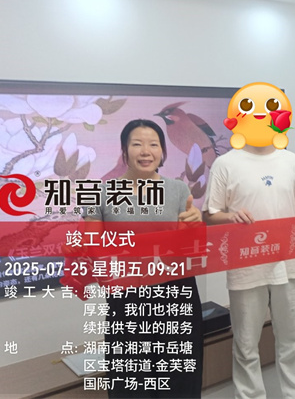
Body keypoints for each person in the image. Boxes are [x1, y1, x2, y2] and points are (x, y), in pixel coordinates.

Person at [86, 119, 204, 398]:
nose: (145, 151)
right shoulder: (101, 192)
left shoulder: (178, 190)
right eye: (137, 144)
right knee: (131, 378)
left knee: (179, 376)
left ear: (163, 151)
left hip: (176, 293)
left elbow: (191, 247)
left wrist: (196, 224)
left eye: (154, 144)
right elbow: (91, 245)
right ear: (124, 150)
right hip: (127, 295)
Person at [202, 141, 295, 399]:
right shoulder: (225, 163)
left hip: (288, 263)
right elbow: (209, 214)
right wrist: (231, 217)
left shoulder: (290, 159)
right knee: (246, 344)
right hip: (246, 266)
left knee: (292, 340)